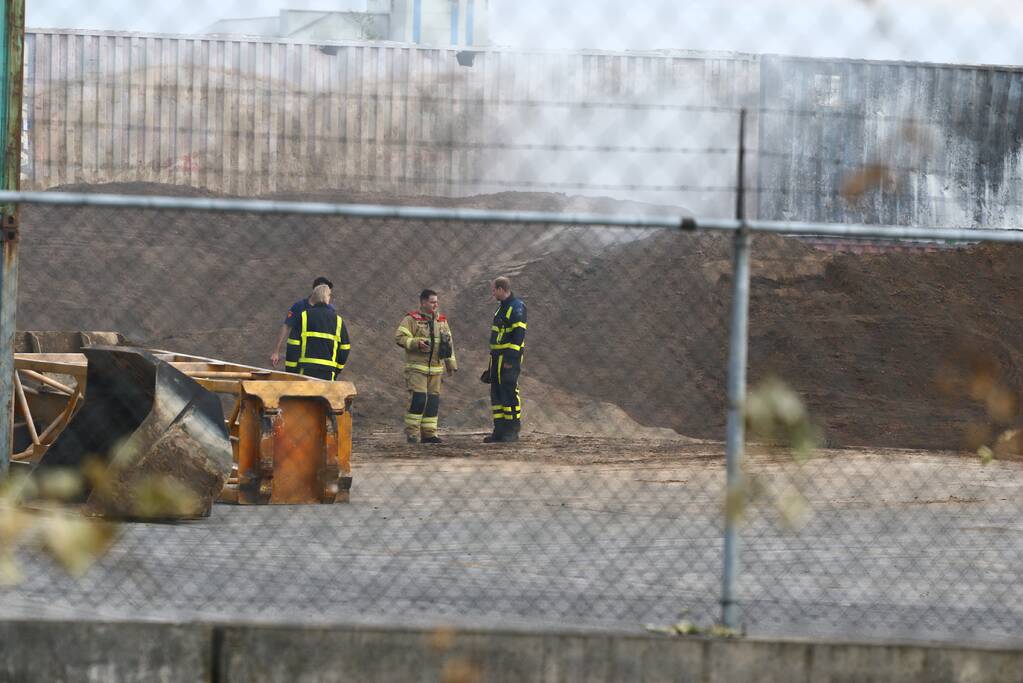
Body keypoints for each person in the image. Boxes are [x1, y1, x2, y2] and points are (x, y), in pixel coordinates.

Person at [395, 289, 458, 444]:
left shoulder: (442, 321)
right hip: (417, 369)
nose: (436, 304)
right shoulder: (411, 319)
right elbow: (400, 337)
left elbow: (448, 344)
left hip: (436, 369)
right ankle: (412, 434)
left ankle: (429, 434)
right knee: (419, 399)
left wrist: (451, 364)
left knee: (433, 401)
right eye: (432, 302)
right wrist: (417, 343)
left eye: (436, 301)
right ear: (423, 303)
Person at [482, 276, 527, 443]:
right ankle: (499, 431)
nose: (493, 293)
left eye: (494, 290)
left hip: (508, 358)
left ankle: (512, 430)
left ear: (501, 289)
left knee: (509, 393)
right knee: (497, 394)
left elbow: (519, 335)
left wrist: (511, 358)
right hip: (496, 358)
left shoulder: (517, 307)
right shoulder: (501, 308)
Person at [270, 276, 335, 371]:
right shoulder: (299, 306)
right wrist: (276, 351)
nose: (328, 295)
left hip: (318, 354)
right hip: (299, 353)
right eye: (326, 292)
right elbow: (286, 326)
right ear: (317, 291)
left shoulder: (330, 309)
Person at [289, 284, 351, 380]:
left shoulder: (304, 316)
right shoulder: (338, 320)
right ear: (328, 298)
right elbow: (345, 348)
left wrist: (291, 371)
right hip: (328, 373)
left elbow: (293, 345)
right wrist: (337, 369)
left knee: (303, 394)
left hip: (305, 370)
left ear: (314, 297)